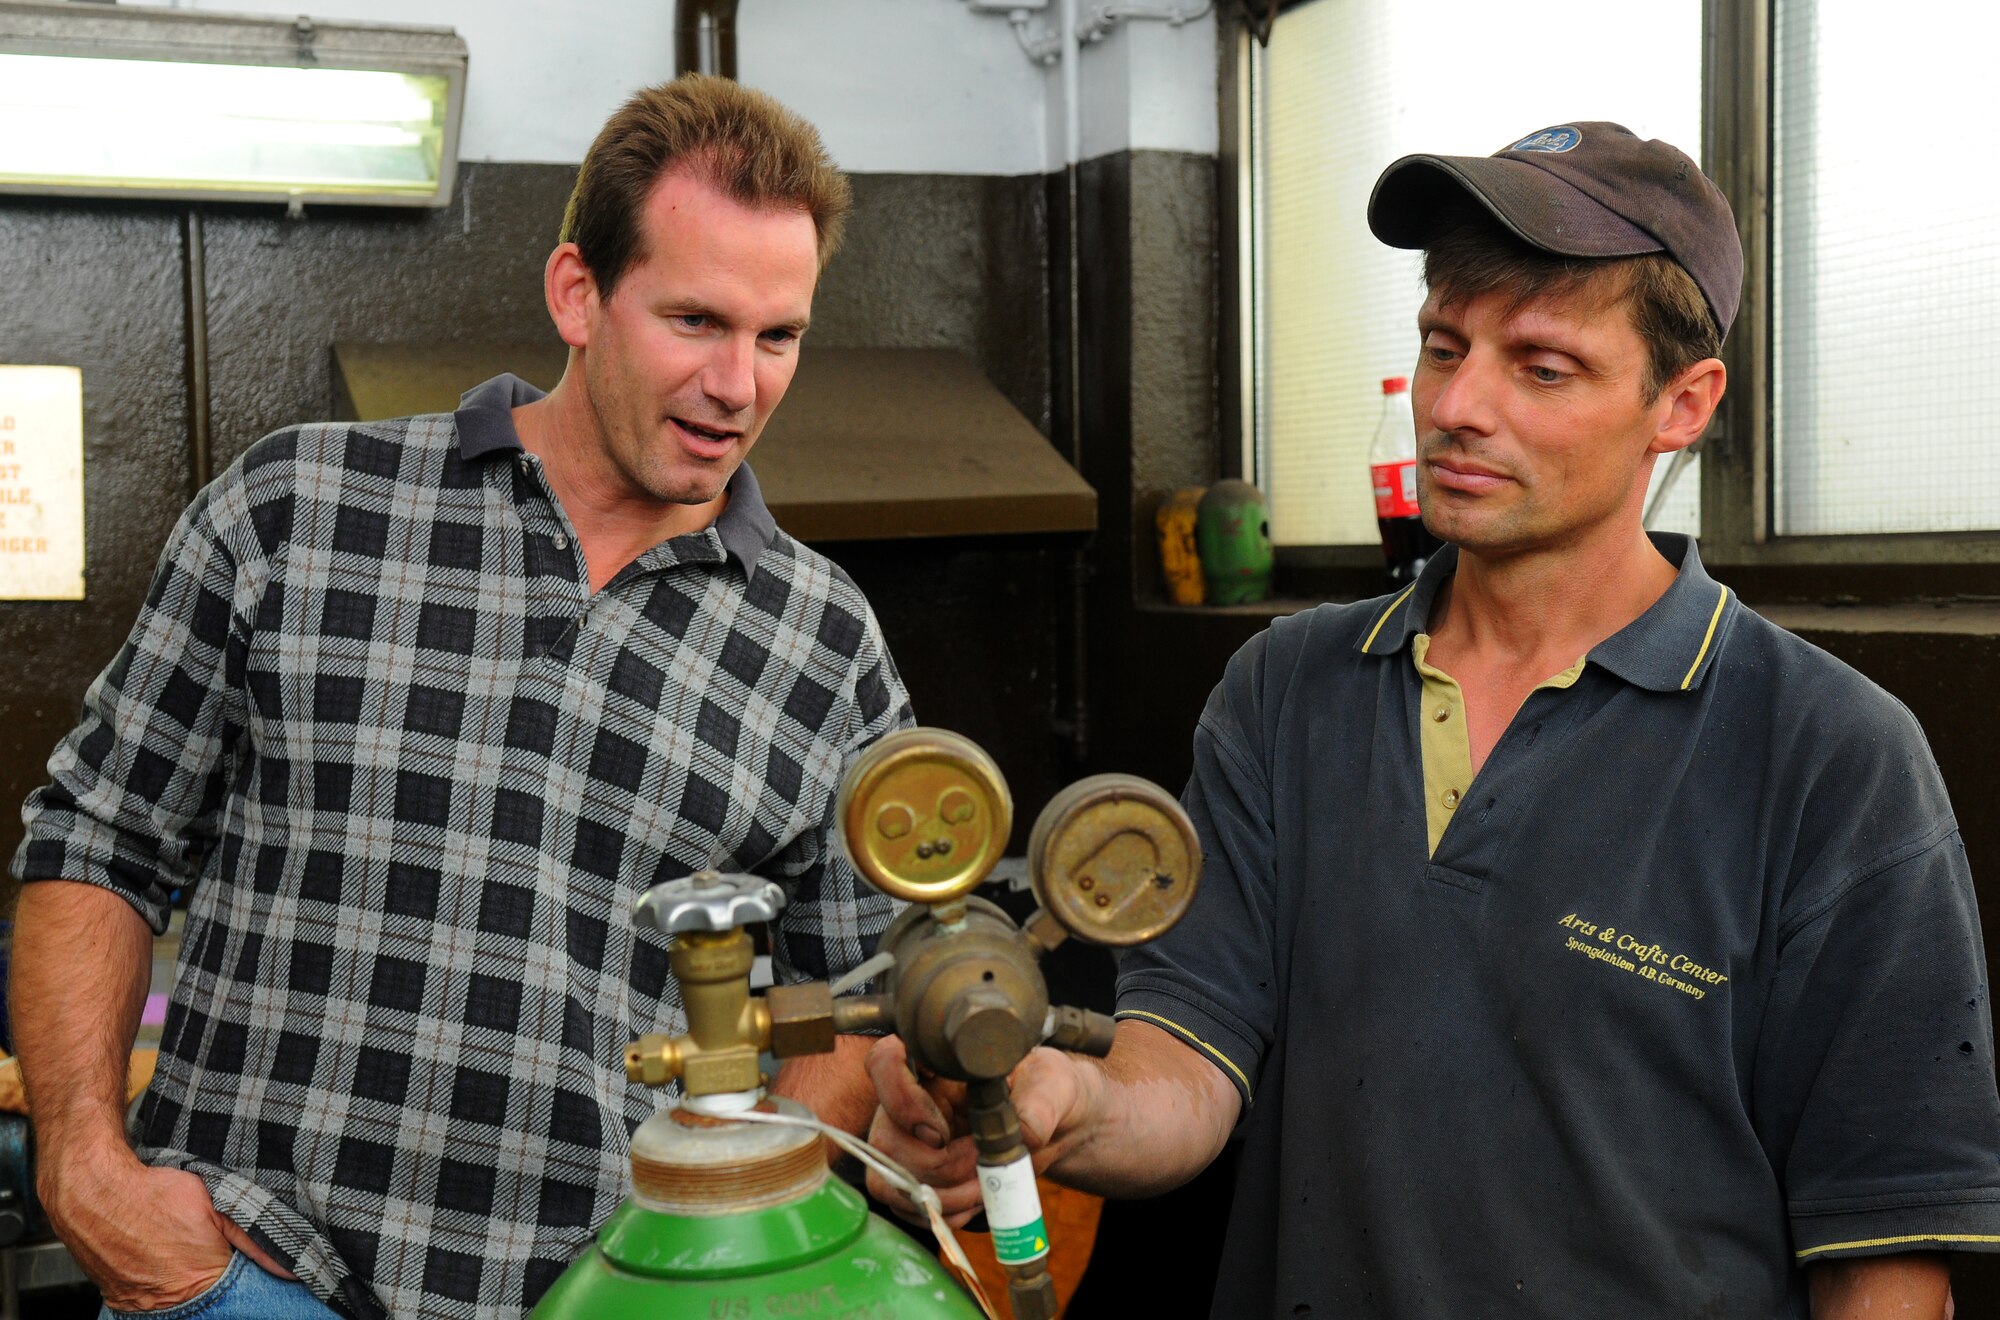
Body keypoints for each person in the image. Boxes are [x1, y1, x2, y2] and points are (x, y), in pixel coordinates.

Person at [868, 122, 2000, 1318]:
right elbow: (1184, 1060)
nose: (1458, 405)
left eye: (1540, 366)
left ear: (1680, 403)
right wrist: (1054, 1100)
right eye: (1440, 346)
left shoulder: (1830, 758)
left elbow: (1883, 1257)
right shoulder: (1286, 689)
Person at [10, 74, 912, 1320]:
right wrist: (84, 1167)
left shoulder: (828, 644)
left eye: (779, 336)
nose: (738, 385)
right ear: (577, 294)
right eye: (696, 320)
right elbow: (97, 839)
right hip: (242, 1277)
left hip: (592, 1303)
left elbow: (853, 1003)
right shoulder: (298, 510)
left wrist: (732, 1270)